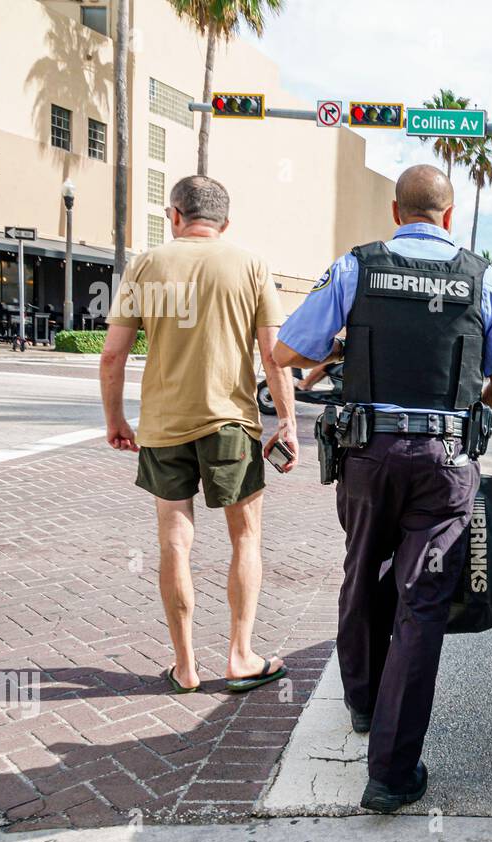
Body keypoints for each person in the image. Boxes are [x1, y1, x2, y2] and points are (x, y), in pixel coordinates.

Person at [274, 164, 492, 812]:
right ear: (448, 216)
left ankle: (361, 704)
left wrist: (337, 351)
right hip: (445, 462)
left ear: (396, 213)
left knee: (361, 573)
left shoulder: (356, 266)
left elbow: (285, 353)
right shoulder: (483, 277)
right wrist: (479, 419)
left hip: (367, 454)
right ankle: (390, 773)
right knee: (421, 604)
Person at [99, 175, 297, 696]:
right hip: (230, 422)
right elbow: (274, 357)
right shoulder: (250, 264)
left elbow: (112, 353)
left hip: (163, 427)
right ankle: (239, 656)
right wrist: (288, 422)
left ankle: (184, 666)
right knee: (246, 537)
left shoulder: (145, 264)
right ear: (225, 223)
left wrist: (116, 419)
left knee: (174, 542)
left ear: (175, 216)